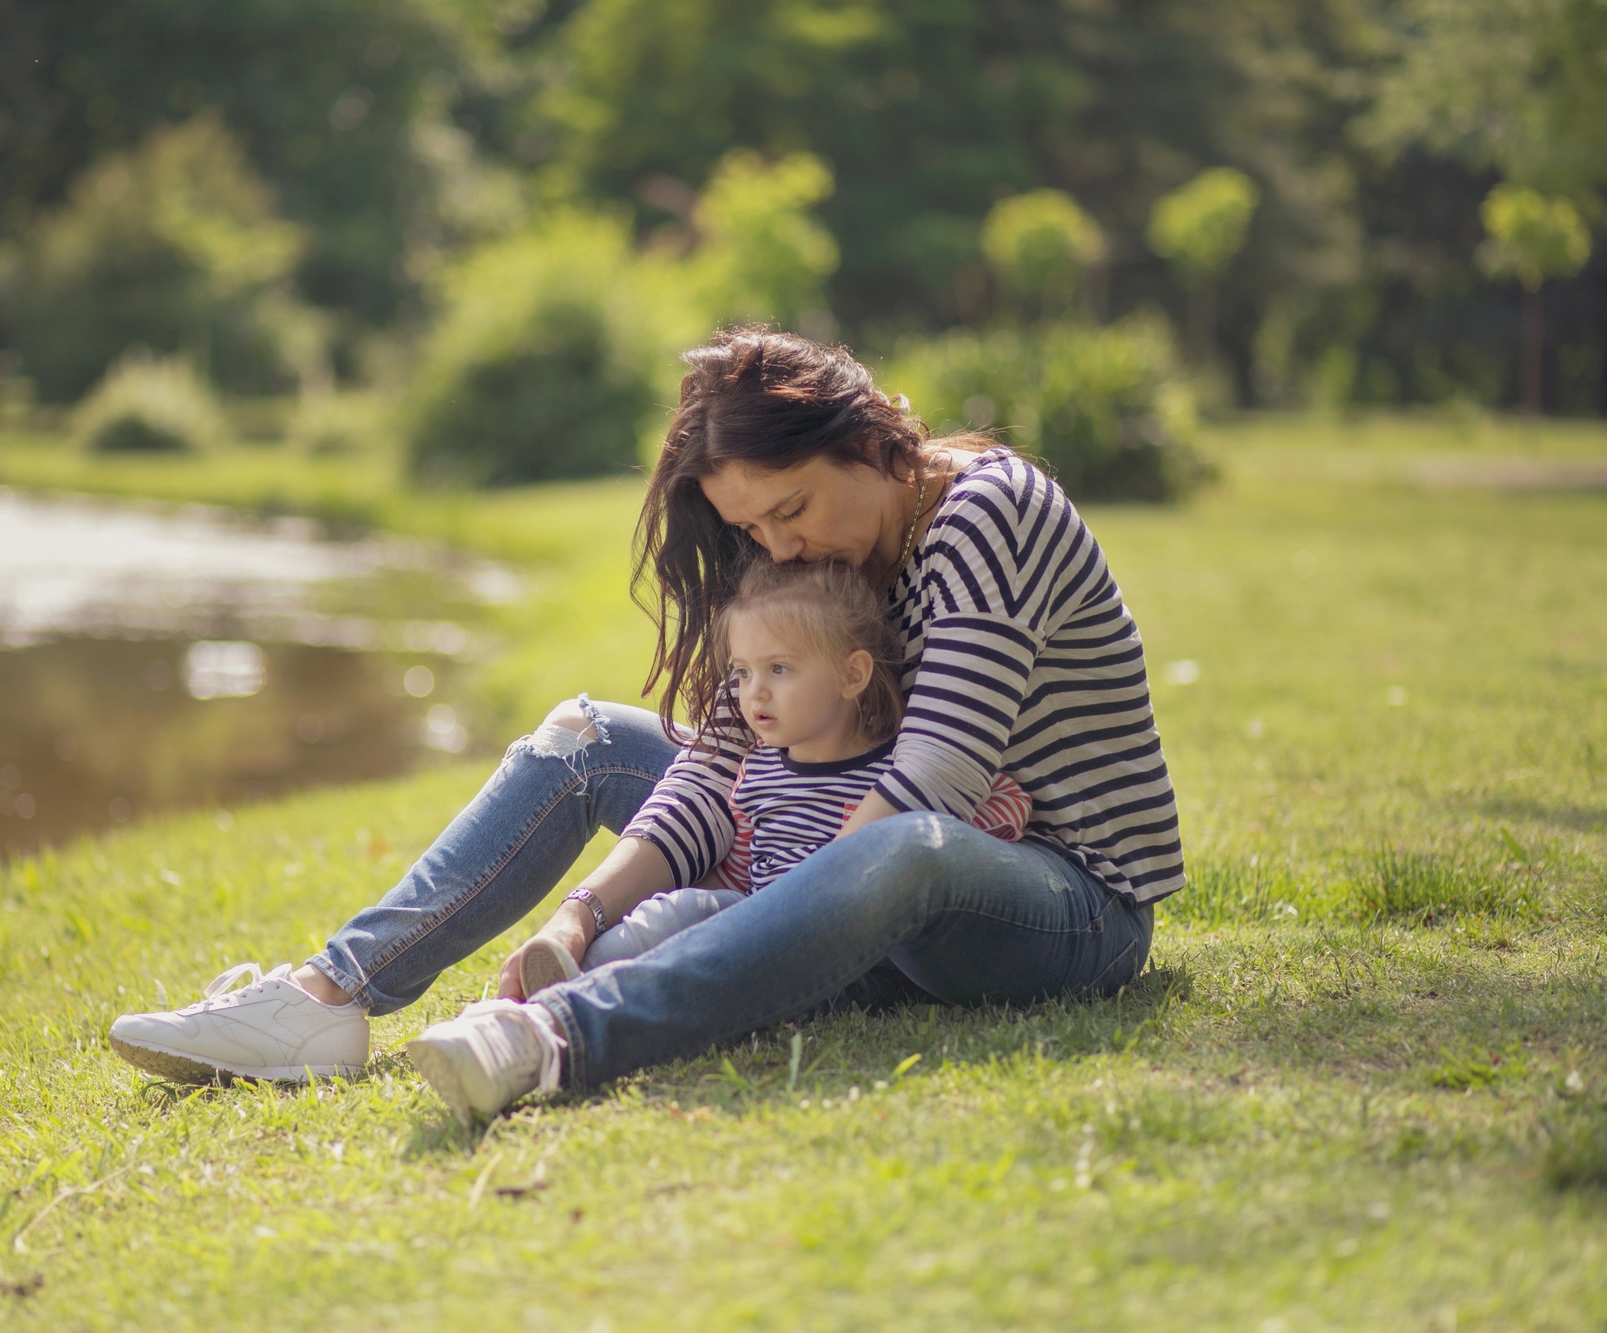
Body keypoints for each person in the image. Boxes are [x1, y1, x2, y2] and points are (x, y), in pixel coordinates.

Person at [107, 328, 1183, 1119]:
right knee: (588, 737)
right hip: (842, 835)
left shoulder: (988, 515)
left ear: (871, 442)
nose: (780, 547)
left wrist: (732, 913)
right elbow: (719, 765)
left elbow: (932, 788)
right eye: (751, 526)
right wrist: (577, 917)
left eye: (792, 508)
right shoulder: (806, 553)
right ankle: (325, 997)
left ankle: (554, 1035)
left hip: (1051, 892)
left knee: (903, 846)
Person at [506, 557, 1031, 999]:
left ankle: (571, 991)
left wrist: (989, 829)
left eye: (779, 669)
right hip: (762, 931)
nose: (752, 692)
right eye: (742, 673)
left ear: (853, 675)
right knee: (681, 913)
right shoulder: (756, 774)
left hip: (856, 953)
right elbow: (738, 872)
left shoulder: (897, 772)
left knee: (682, 917)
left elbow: (992, 805)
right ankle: (564, 983)